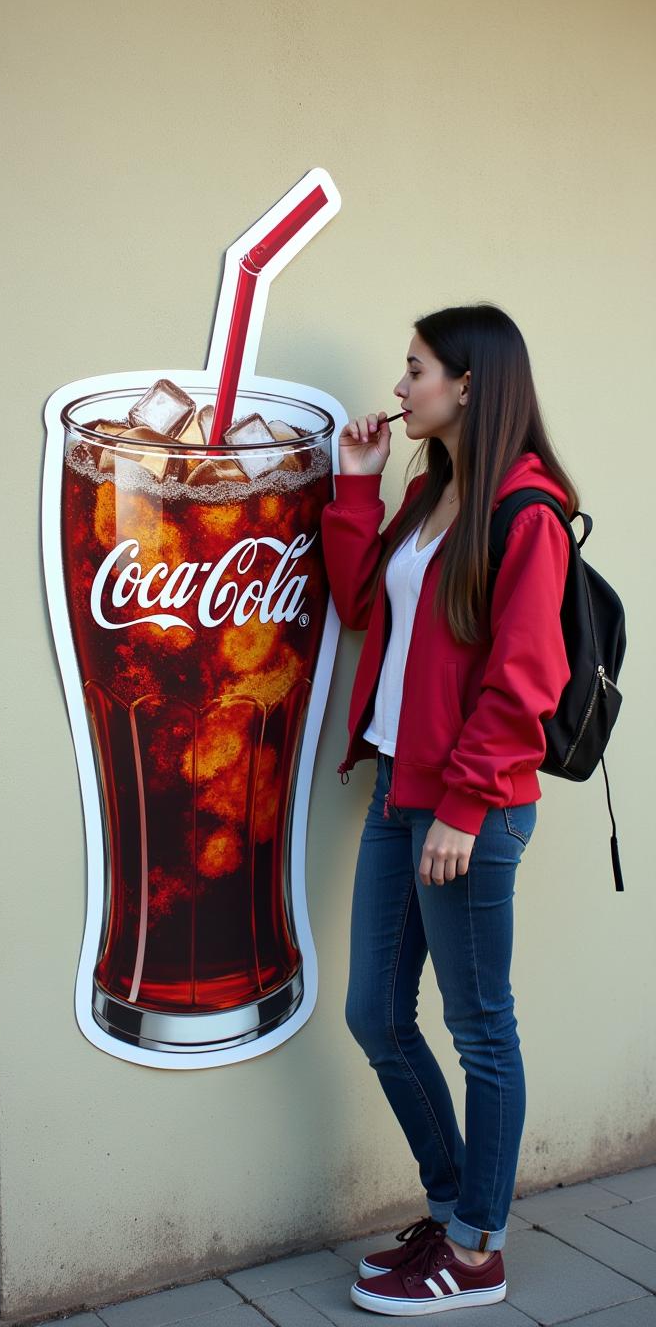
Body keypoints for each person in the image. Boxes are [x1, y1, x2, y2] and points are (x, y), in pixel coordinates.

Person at [320, 303, 578, 1316]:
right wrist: (354, 481)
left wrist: (466, 808)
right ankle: (457, 1202)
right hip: (400, 791)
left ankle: (476, 1252)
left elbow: (525, 681)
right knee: (377, 1015)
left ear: (469, 384)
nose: (400, 387)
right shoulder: (436, 498)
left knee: (480, 1029)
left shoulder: (526, 511)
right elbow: (355, 604)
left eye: (415, 368)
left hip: (469, 808)